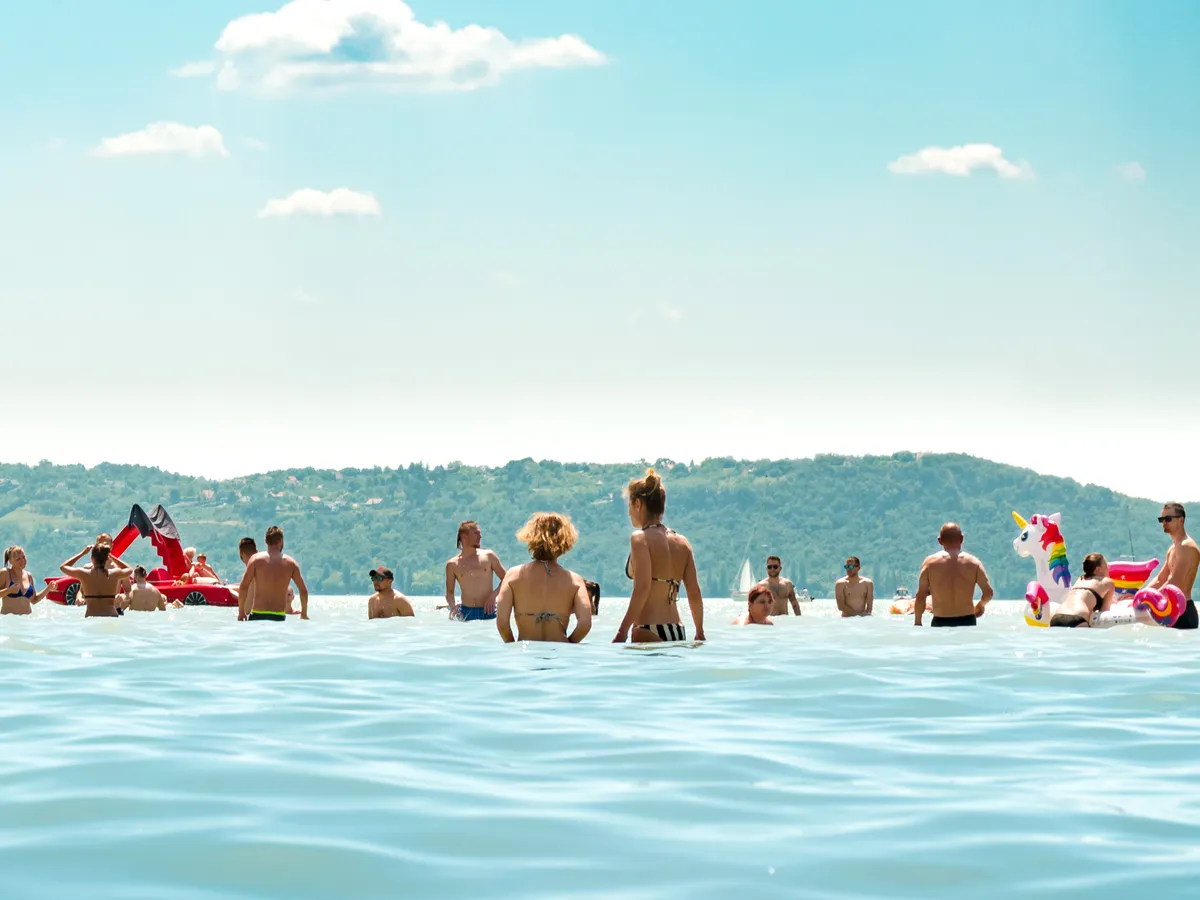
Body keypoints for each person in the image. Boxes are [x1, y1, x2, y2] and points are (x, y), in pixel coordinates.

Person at [613, 468, 706, 643]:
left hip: (648, 627)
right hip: (677, 630)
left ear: (638, 504)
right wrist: (700, 631)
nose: (629, 512)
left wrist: (622, 631)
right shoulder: (683, 542)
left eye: (630, 506)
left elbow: (642, 588)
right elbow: (694, 592)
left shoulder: (640, 538)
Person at [496, 513, 592, 643]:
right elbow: (585, 624)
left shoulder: (513, 575)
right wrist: (569, 644)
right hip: (560, 653)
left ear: (530, 537)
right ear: (565, 540)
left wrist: (513, 646)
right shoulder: (574, 580)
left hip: (526, 653)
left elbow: (502, 623)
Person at [914, 522, 994, 627]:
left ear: (940, 541)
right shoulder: (974, 563)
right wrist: (980, 606)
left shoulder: (930, 563)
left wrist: (918, 623)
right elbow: (988, 593)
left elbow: (920, 597)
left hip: (940, 621)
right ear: (962, 539)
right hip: (967, 621)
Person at [236, 526, 309, 621]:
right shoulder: (291, 563)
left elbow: (244, 586)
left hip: (258, 615)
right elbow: (303, 590)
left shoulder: (255, 560)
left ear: (266, 541)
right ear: (281, 541)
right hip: (278, 616)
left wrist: (241, 612)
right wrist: (304, 614)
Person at [1146, 502, 1200, 630]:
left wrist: (1147, 600)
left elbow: (1175, 583)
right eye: (1161, 519)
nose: (1164, 522)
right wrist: (1141, 594)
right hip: (1170, 611)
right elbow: (1161, 579)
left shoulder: (1187, 546)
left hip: (1184, 612)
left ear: (1181, 520)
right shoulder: (1173, 548)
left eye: (1168, 519)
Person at [445, 520, 506, 621]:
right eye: (476, 533)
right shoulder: (452, 564)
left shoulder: (489, 556)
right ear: (464, 537)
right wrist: (453, 608)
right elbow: (449, 593)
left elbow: (506, 578)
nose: (480, 536)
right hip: (466, 613)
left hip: (490, 611)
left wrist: (493, 596)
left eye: (480, 533)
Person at [60, 544, 132, 619]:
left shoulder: (84, 574)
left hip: (91, 618)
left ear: (92, 558)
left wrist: (82, 553)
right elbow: (129, 569)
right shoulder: (114, 574)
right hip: (111, 617)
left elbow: (63, 567)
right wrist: (111, 556)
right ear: (107, 559)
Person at [1049, 553, 1114, 628]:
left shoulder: (1080, 579)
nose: (1108, 568)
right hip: (1077, 618)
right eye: (1106, 565)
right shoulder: (1108, 582)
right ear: (1098, 569)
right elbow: (1104, 611)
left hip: (1057, 617)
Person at [1, 546, 52, 615]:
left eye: (23, 557)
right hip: (10, 622)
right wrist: (8, 590)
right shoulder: (5, 573)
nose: (22, 560)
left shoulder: (29, 576)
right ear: (10, 561)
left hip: (27, 622)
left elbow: (34, 600)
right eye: (18, 559)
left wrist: (48, 588)